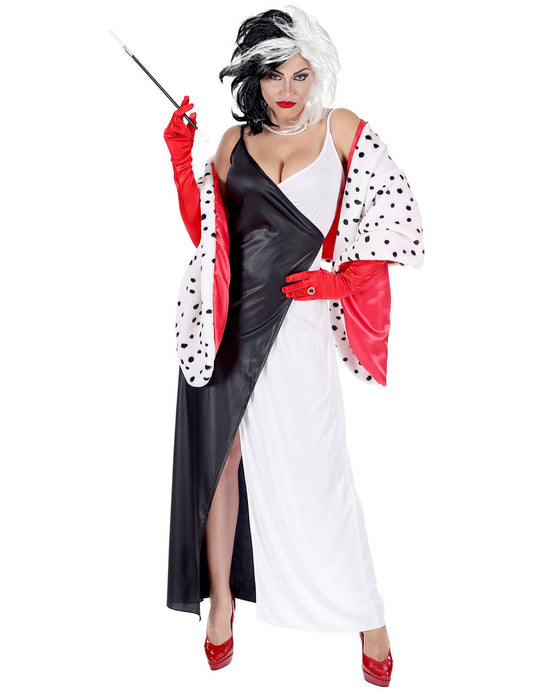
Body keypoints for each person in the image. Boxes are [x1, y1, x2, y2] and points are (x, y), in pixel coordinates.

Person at [163, 5, 423, 685]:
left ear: (317, 75)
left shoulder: (341, 129)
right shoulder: (232, 141)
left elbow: (397, 221)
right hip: (225, 327)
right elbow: (208, 233)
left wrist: (339, 282)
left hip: (299, 329)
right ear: (253, 77)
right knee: (221, 465)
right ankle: (222, 603)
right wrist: (179, 157)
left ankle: (368, 614)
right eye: (274, 74)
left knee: (323, 470)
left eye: (300, 75)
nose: (287, 89)